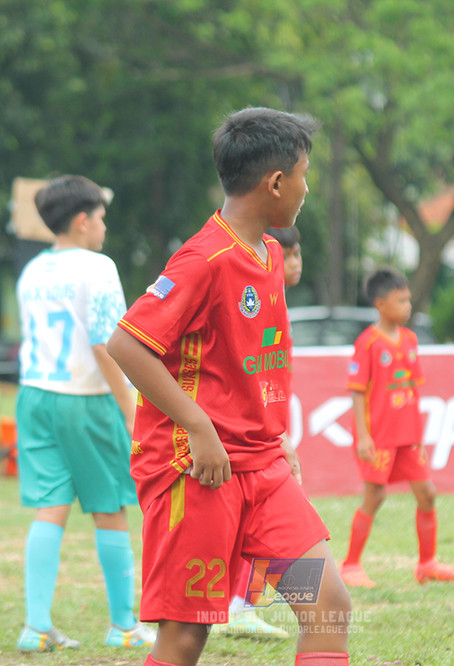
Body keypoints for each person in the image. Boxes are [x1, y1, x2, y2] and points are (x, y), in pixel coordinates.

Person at [108, 107, 351, 666]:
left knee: (328, 606)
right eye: (305, 175)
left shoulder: (267, 253)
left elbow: (248, 362)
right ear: (275, 183)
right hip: (199, 473)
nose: (307, 189)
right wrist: (198, 426)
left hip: (262, 469)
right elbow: (127, 345)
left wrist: (275, 437)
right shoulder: (203, 259)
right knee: (186, 637)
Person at [14, 175, 156, 653]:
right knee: (111, 506)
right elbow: (105, 342)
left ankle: (36, 626)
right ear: (82, 220)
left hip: (34, 395)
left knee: (50, 506)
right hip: (86, 398)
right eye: (100, 217)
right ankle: (124, 625)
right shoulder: (97, 267)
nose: (104, 227)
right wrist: (129, 403)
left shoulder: (32, 271)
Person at [341, 267, 454, 588]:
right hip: (379, 436)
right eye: (401, 300)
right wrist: (363, 436)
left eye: (409, 299)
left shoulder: (410, 340)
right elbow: (357, 391)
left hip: (408, 436)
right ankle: (351, 565)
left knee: (427, 493)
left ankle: (427, 564)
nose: (408, 305)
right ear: (381, 304)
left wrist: (419, 436)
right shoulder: (367, 343)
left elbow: (412, 390)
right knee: (376, 496)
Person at [214, 224, 303, 640]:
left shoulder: (273, 296)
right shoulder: (240, 284)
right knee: (261, 524)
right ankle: (242, 604)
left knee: (251, 525)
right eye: (291, 254)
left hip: (266, 427)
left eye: (297, 255)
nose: (295, 263)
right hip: (250, 435)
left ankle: (238, 604)